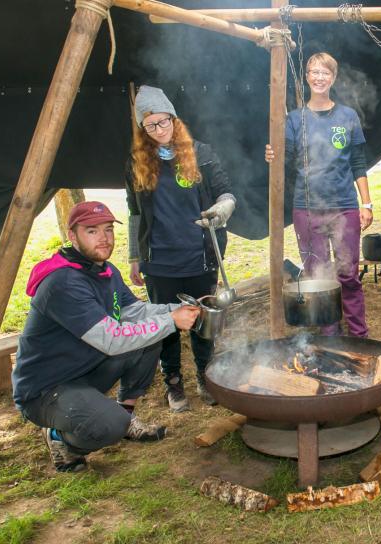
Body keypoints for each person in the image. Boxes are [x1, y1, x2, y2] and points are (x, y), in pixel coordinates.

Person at [13, 201, 201, 472]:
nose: (104, 238)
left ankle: (125, 418)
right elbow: (112, 339)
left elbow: (135, 311)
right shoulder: (64, 283)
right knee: (107, 426)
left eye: (109, 229)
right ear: (72, 235)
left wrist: (179, 309)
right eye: (92, 231)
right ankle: (61, 439)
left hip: (84, 369)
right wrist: (171, 321)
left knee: (151, 338)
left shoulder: (105, 270)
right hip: (46, 389)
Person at [126, 85, 236, 412]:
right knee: (167, 325)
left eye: (164, 122)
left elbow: (226, 193)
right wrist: (135, 256)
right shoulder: (137, 162)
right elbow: (134, 212)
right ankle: (173, 382)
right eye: (151, 125)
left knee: (203, 321)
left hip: (199, 255)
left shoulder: (201, 152)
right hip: (159, 260)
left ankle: (206, 375)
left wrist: (223, 210)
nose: (160, 130)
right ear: (143, 130)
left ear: (174, 119)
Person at [264, 52, 373, 337]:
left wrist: (367, 203)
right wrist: (272, 154)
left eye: (325, 72)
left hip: (344, 207)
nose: (320, 77)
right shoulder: (294, 119)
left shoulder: (347, 117)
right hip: (307, 208)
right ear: (307, 77)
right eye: (314, 71)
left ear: (333, 77)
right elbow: (285, 160)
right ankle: (330, 335)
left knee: (348, 273)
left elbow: (358, 164)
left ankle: (359, 334)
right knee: (318, 275)